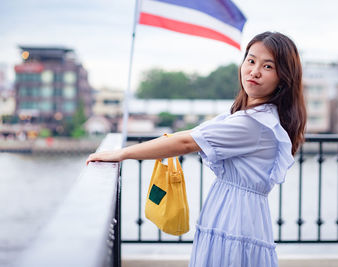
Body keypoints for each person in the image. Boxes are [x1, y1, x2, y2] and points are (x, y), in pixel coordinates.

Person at [86, 31, 307, 267]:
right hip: (235, 213)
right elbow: (189, 135)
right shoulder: (249, 116)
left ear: (283, 78)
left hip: (235, 218)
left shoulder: (254, 123)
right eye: (251, 60)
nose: (254, 71)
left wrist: (122, 153)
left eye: (268, 66)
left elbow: (187, 143)